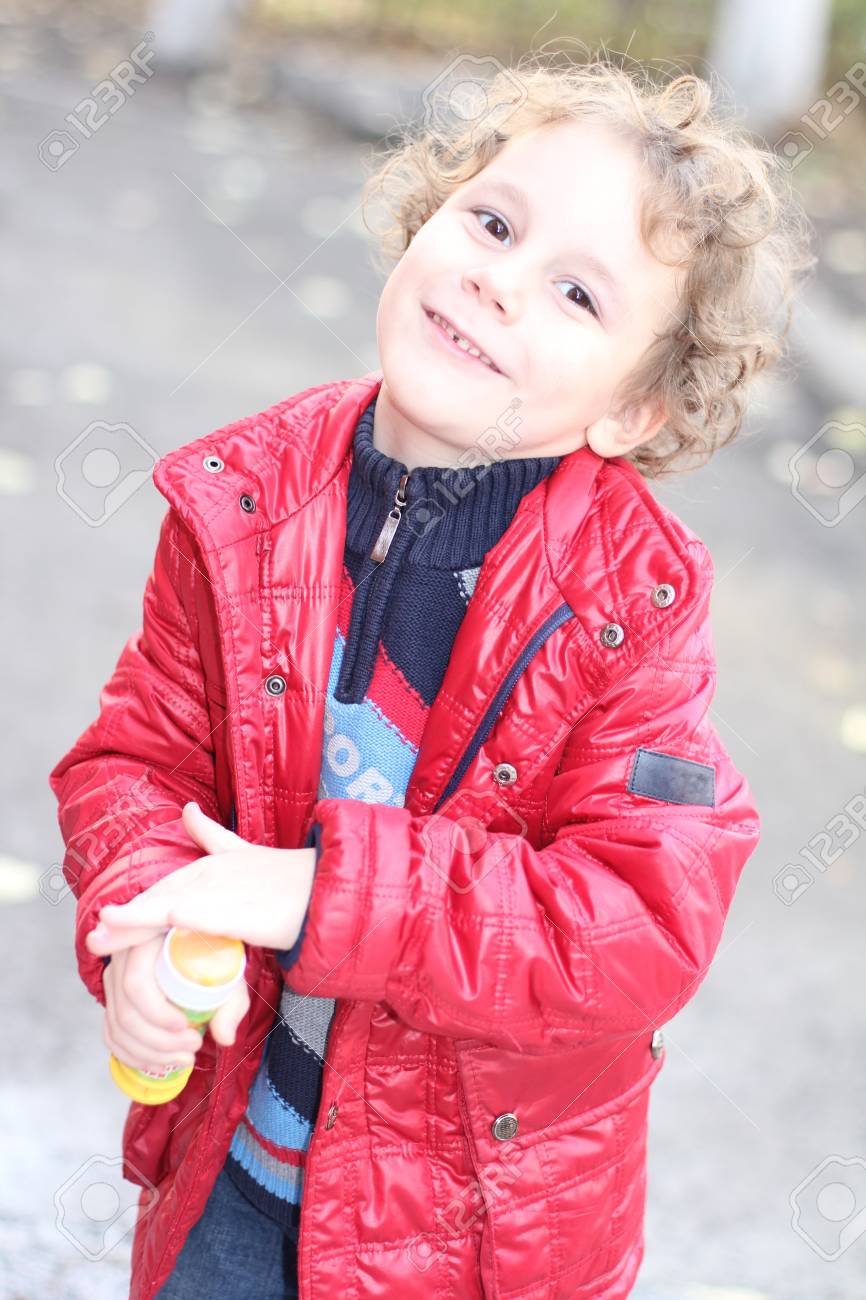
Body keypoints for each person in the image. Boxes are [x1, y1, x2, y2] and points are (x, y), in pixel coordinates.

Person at [49, 52, 813, 1300]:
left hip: (463, 1244)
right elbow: (136, 756)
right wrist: (139, 925)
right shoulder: (242, 505)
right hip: (233, 1177)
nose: (497, 281)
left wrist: (315, 897)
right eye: (492, 221)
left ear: (635, 409)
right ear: (425, 216)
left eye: (574, 293)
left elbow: (632, 924)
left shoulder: (630, 611)